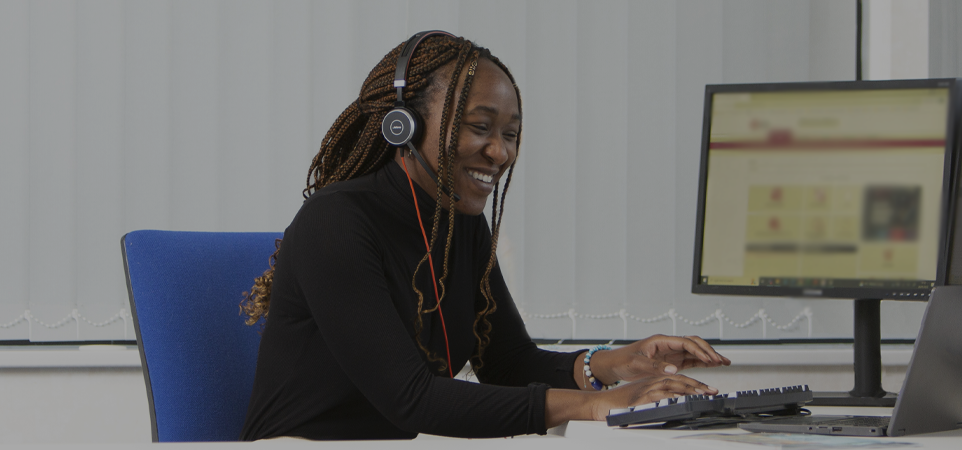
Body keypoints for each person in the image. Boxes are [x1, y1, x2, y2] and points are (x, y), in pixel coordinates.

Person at [237, 31, 731, 441]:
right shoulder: (336, 222)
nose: (500, 152)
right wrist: (597, 404)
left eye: (511, 134)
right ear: (403, 124)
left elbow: (508, 362)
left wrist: (611, 364)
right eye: (480, 127)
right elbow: (412, 399)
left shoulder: (460, 224)